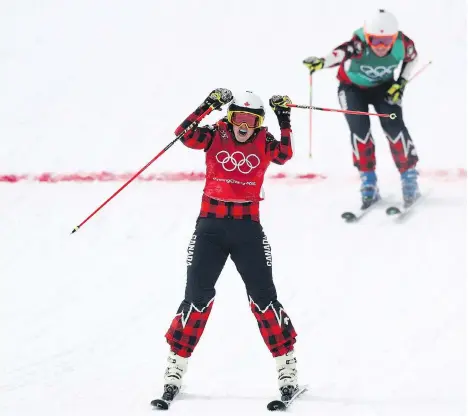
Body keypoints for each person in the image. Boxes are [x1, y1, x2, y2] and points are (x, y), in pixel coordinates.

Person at [156, 89, 299, 404]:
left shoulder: (264, 140)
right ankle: (175, 368)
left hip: (247, 230)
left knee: (263, 300)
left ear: (259, 122)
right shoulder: (215, 135)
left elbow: (284, 155)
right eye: (239, 118)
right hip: (210, 228)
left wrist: (284, 118)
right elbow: (183, 134)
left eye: (251, 119)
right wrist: (207, 106)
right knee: (196, 299)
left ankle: (287, 368)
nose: (244, 125)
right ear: (230, 118)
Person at [303, 9, 420, 208]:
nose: (381, 47)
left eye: (386, 41)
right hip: (352, 90)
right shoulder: (358, 44)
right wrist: (322, 62)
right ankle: (369, 181)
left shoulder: (403, 44)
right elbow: (340, 53)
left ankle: (409, 176)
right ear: (367, 38)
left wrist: (401, 83)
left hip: (384, 88)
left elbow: (412, 59)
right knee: (360, 132)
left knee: (394, 128)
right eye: (375, 41)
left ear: (394, 37)